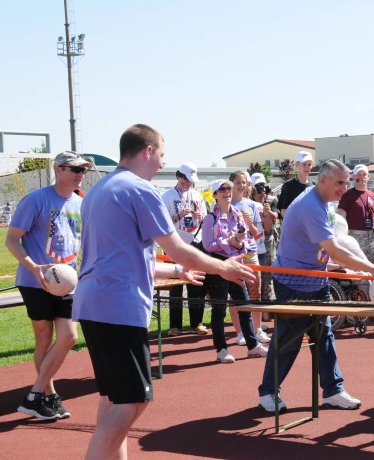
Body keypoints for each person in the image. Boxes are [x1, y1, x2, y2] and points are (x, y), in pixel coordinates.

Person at [72, 124, 255, 460]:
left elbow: (124, 256)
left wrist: (177, 271)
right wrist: (223, 267)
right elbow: (178, 248)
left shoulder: (98, 192)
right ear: (146, 151)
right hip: (117, 306)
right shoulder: (141, 191)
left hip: (93, 303)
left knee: (113, 398)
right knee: (133, 400)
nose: (161, 164)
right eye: (160, 155)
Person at [257, 159, 374, 413]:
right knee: (289, 340)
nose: (343, 188)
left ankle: (333, 390)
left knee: (325, 336)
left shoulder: (327, 204)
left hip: (317, 279)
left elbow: (328, 245)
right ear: (324, 179)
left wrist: (341, 266)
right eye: (339, 183)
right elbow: (332, 247)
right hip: (292, 282)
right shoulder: (310, 206)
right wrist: (371, 268)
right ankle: (268, 392)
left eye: (346, 183)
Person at [6, 152, 91, 420]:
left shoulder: (81, 204)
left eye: (83, 170)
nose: (80, 174)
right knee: (44, 338)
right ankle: (49, 394)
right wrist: (34, 268)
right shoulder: (36, 199)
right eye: (75, 169)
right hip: (35, 282)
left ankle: (35, 394)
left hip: (68, 282)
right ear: (59, 170)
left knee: (69, 337)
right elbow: (11, 240)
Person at [194, 178, 268, 362]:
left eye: (229, 188)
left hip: (236, 263)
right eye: (223, 189)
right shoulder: (210, 218)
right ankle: (221, 350)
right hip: (217, 265)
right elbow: (208, 245)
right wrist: (230, 241)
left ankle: (253, 346)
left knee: (244, 304)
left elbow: (245, 241)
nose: (228, 191)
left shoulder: (238, 215)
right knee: (219, 309)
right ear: (215, 195)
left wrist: (239, 242)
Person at [160, 162, 208, 337]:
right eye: (186, 179)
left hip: (194, 243)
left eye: (191, 180)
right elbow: (161, 224)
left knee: (196, 285)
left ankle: (197, 323)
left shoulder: (197, 196)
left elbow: (205, 220)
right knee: (175, 286)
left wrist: (200, 217)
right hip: (173, 244)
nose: (188, 183)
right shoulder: (166, 196)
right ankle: (175, 326)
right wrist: (178, 216)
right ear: (179, 177)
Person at [229, 171, 272, 346]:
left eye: (244, 183)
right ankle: (239, 332)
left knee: (255, 291)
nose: (241, 186)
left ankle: (257, 329)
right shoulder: (226, 204)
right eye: (238, 182)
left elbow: (255, 232)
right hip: (233, 254)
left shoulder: (252, 205)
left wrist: (249, 223)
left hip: (251, 252)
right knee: (236, 294)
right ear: (232, 184)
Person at [337, 164, 374, 265]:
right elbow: (341, 219)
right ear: (353, 177)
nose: (362, 177)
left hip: (373, 236)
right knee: (357, 267)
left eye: (364, 174)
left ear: (368, 176)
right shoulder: (347, 196)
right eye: (359, 175)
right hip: (356, 236)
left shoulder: (373, 196)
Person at [250, 177, 279, 304]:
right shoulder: (248, 202)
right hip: (254, 242)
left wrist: (267, 211)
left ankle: (267, 309)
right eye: (259, 187)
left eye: (264, 186)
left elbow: (276, 217)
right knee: (254, 276)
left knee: (268, 274)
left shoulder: (271, 200)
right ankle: (255, 306)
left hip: (268, 240)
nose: (262, 190)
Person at [278, 151, 314, 218]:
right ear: (297, 165)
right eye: (304, 164)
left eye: (309, 164)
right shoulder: (288, 186)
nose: (307, 167)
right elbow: (283, 211)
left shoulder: (315, 185)